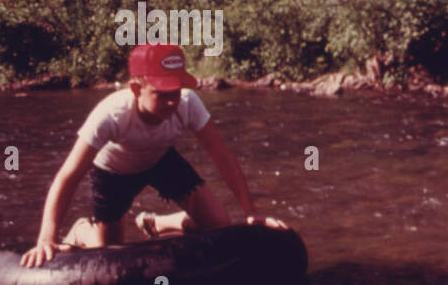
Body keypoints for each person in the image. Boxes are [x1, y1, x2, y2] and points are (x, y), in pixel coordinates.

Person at [20, 43, 288, 268]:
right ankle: (84, 229)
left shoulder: (188, 102)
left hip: (161, 160)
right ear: (136, 89)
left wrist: (251, 211)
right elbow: (68, 176)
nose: (173, 102)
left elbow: (221, 156)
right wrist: (47, 237)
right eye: (162, 95)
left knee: (220, 224)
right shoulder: (110, 115)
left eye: (176, 92)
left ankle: (159, 223)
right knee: (111, 254)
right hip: (113, 173)